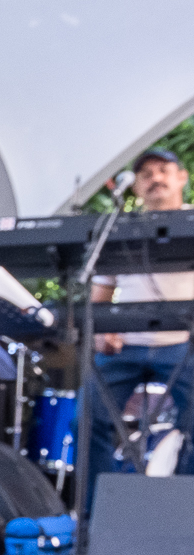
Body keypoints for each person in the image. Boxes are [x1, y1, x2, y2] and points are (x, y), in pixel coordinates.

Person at [86, 145, 194, 502]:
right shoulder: (116, 231)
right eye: (146, 175)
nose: (155, 179)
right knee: (86, 419)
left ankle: (183, 511)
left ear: (182, 178)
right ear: (135, 188)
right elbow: (98, 301)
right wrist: (102, 333)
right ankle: (95, 517)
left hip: (182, 343)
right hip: (126, 347)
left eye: (164, 170)